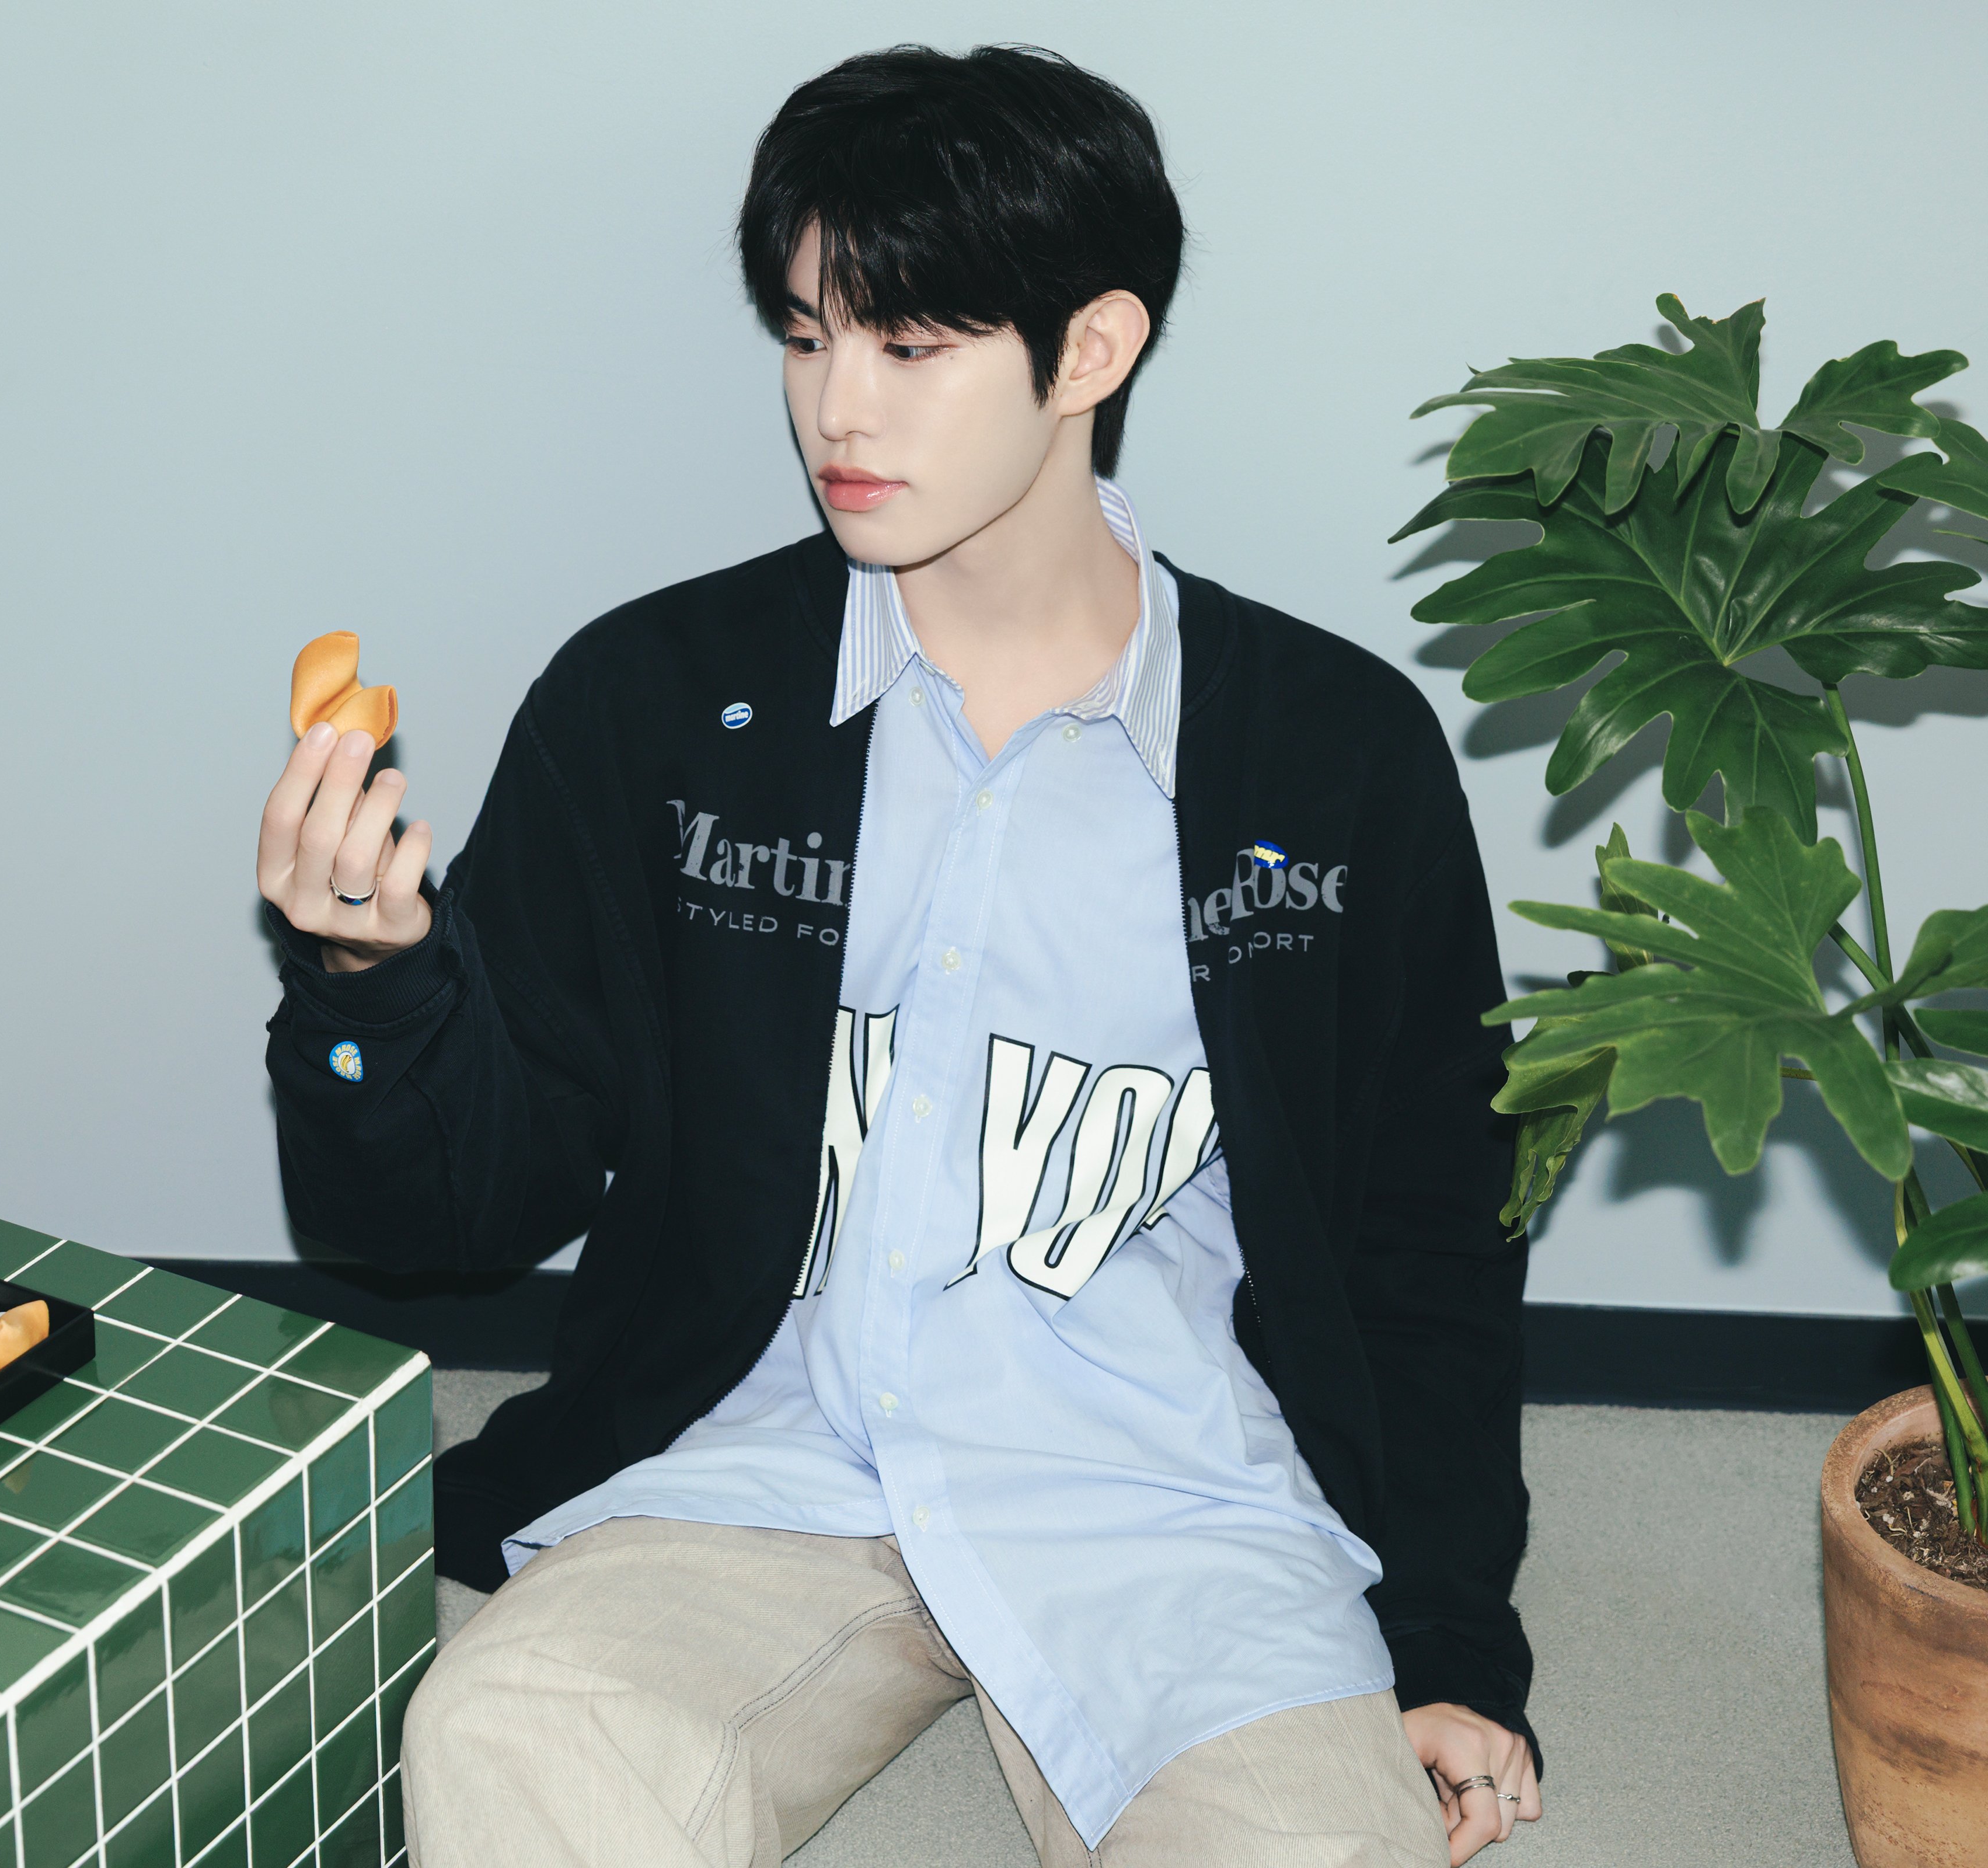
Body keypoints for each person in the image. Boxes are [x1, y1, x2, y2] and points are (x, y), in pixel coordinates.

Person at [256, 43, 1541, 1868]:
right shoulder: (657, 704)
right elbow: (452, 1217)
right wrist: (372, 988)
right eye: (805, 336)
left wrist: (1452, 1639)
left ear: (1093, 350)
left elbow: (1435, 1229)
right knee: (507, 1736)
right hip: (756, 1468)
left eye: (911, 345)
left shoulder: (1332, 753)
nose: (835, 410)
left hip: (1173, 1503)